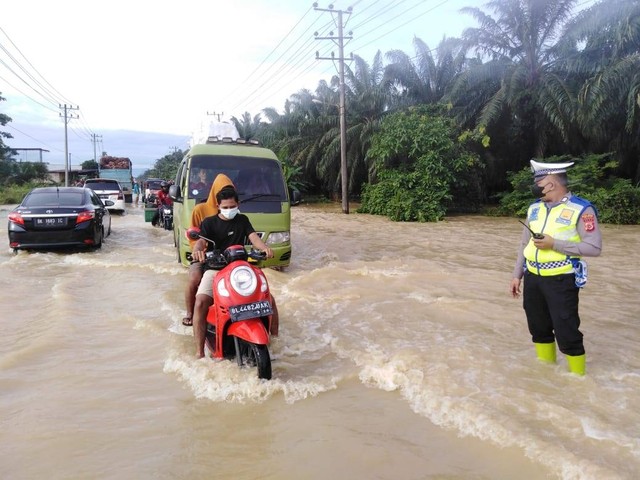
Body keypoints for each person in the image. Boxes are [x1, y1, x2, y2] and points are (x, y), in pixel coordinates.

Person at [510, 159, 602, 375]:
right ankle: (547, 377)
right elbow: (524, 244)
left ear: (551, 183)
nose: (535, 185)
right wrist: (517, 275)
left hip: (561, 279)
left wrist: (555, 244)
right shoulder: (534, 208)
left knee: (567, 331)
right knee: (538, 329)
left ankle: (578, 382)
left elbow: (594, 247)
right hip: (532, 277)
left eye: (538, 181)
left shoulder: (582, 209)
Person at [190, 186, 274, 358]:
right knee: (200, 302)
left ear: (238, 204)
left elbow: (254, 238)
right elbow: (200, 243)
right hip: (216, 269)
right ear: (218, 206)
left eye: (232, 206)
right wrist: (198, 251)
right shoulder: (209, 223)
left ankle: (275, 341)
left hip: (240, 270)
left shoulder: (242, 220)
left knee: (269, 299)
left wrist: (265, 248)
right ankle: (199, 352)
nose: (229, 210)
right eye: (225, 207)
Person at [182, 173, 235, 326]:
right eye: (222, 191)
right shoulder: (200, 210)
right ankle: (190, 312)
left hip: (226, 256)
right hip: (203, 255)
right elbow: (195, 239)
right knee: (194, 279)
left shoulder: (237, 215)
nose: (228, 208)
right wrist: (199, 252)